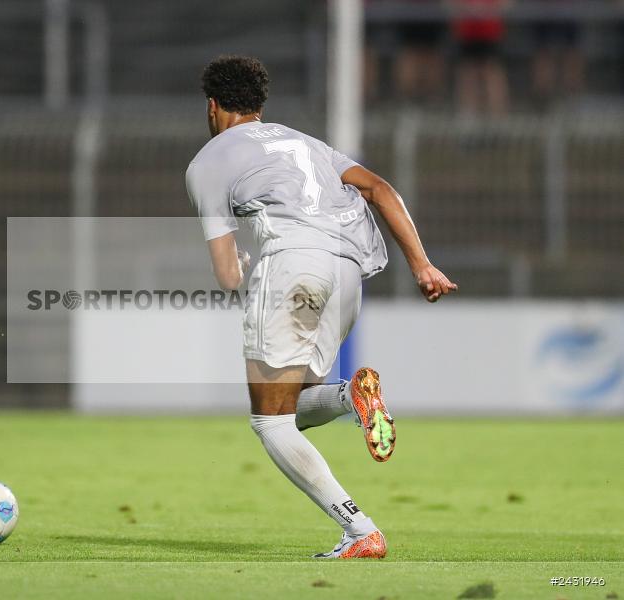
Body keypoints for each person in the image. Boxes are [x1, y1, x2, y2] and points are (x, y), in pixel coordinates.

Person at [185, 56, 457, 559]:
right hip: (350, 272)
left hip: (294, 266)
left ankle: (361, 531)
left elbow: (227, 276)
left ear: (212, 106)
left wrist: (243, 264)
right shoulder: (304, 142)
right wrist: (422, 265)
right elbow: (379, 189)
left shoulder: (207, 163)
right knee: (296, 408)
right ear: (259, 106)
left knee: (270, 422)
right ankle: (351, 394)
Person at [450, 0, 510, 115]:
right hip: (467, 31)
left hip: (490, 31)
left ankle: (498, 114)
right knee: (468, 73)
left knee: (491, 72)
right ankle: (468, 113)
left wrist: (487, 10)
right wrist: (468, 9)